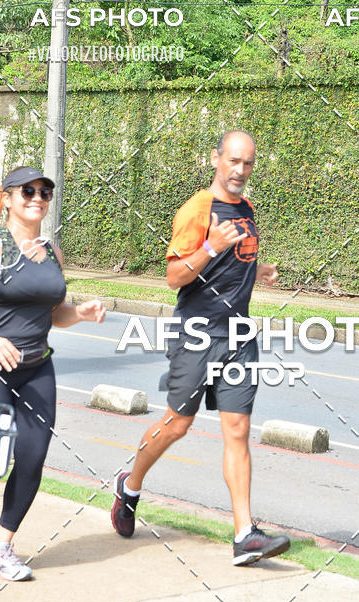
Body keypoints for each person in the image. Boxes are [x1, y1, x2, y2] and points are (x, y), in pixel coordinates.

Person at [111, 130, 291, 565]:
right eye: (232, 161)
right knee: (176, 425)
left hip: (239, 336)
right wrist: (211, 246)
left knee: (238, 430)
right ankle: (129, 485)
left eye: (247, 163)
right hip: (197, 335)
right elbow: (175, 276)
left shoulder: (246, 209)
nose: (239, 170)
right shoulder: (196, 210)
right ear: (216, 159)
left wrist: (256, 270)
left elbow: (235, 261)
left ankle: (245, 535)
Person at [0, 149, 106, 581]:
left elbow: (53, 313)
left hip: (37, 368)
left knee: (33, 455)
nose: (38, 197)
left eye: (45, 191)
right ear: (7, 199)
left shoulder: (50, 250)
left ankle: (0, 548)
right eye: (28, 191)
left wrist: (80, 313)